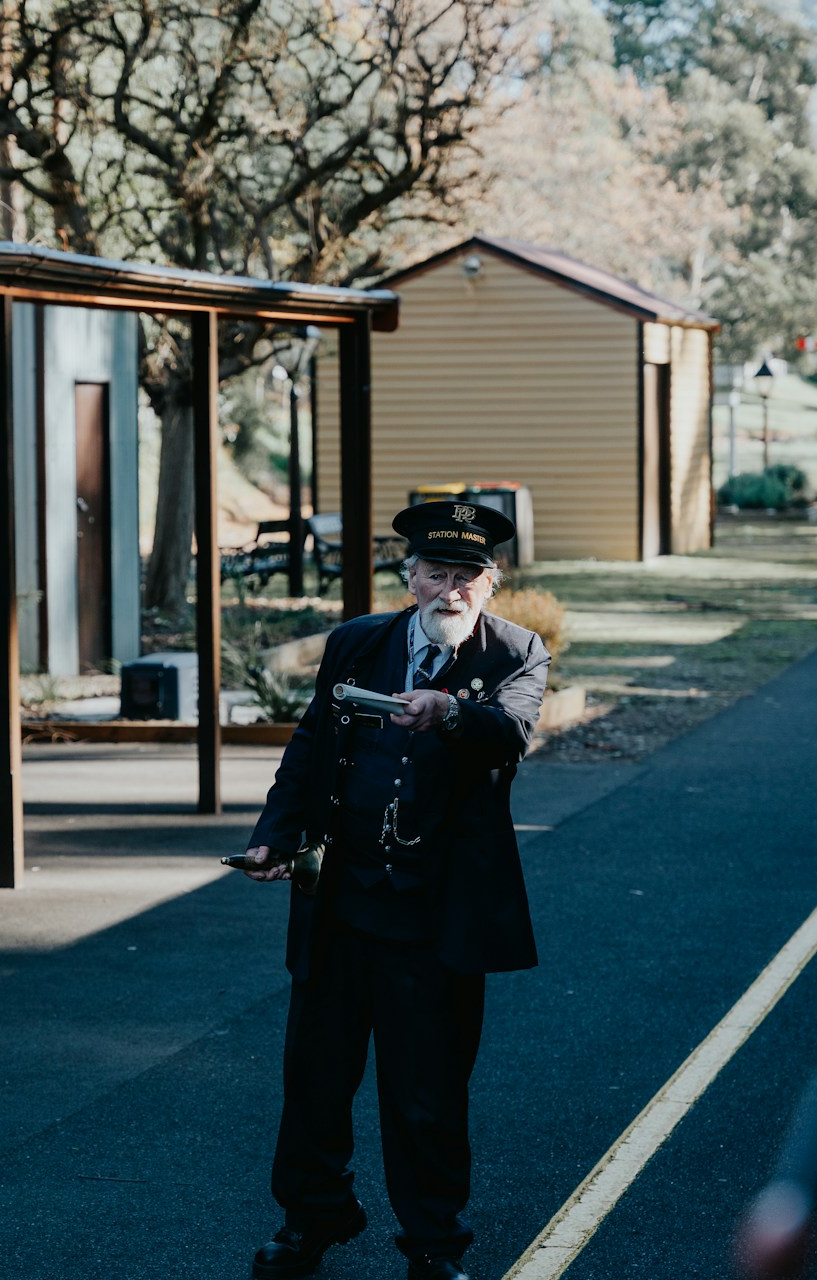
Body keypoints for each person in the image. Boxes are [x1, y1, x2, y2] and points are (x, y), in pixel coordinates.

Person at [234, 499, 551, 1280]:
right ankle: (312, 1218)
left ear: (492, 582)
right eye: (436, 574)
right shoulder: (356, 643)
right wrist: (275, 833)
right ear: (409, 578)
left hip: (436, 917)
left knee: (427, 1096)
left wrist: (448, 710)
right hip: (340, 906)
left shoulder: (515, 652)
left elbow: (509, 731)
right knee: (315, 1082)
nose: (451, 591)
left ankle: (434, 1246)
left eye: (467, 577)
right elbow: (310, 746)